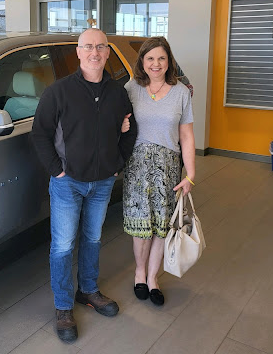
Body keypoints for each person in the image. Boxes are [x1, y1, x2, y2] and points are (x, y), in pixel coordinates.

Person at [31, 28, 137, 343]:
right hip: (68, 183)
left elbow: (130, 130)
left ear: (107, 52)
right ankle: (63, 306)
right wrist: (57, 171)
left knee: (92, 239)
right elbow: (40, 133)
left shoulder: (117, 92)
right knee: (63, 245)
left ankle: (88, 291)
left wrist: (118, 163)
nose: (94, 52)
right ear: (78, 52)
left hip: (103, 182)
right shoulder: (58, 92)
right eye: (88, 46)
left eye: (100, 47)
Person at [121, 36, 195, 306]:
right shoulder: (131, 88)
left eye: (161, 58)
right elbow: (116, 122)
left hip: (168, 168)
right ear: (142, 61)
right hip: (137, 168)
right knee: (141, 227)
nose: (156, 63)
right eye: (150, 58)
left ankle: (153, 278)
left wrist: (190, 175)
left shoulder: (181, 92)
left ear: (169, 61)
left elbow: (186, 135)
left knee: (161, 227)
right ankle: (139, 273)